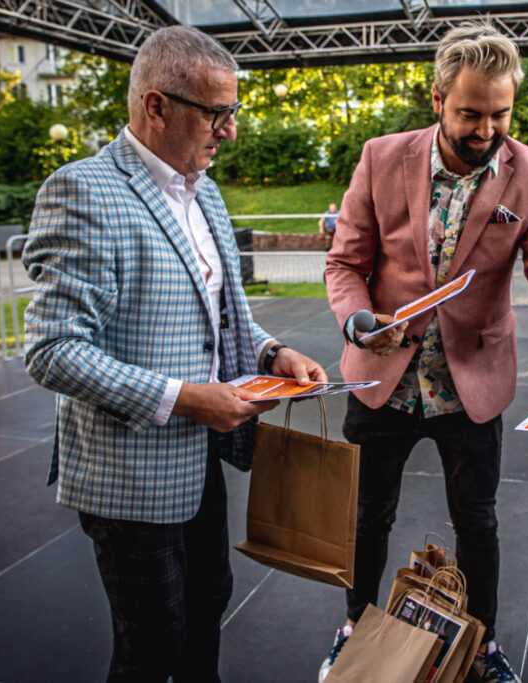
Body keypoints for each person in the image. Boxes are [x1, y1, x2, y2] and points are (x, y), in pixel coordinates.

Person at [322, 23, 528, 683]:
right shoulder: (380, 156)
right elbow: (344, 264)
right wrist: (358, 323)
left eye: (499, 113)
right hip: (381, 380)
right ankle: (354, 626)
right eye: (469, 113)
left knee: (478, 523)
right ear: (437, 99)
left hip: (471, 386)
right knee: (365, 517)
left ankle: (482, 644)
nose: (486, 129)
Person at [22, 26, 326, 682]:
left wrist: (273, 353)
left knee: (207, 606)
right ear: (155, 106)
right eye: (217, 114)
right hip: (127, 476)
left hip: (199, 463)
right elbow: (52, 349)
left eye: (233, 112)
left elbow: (226, 312)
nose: (230, 131)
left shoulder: (204, 189)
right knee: (151, 644)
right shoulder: (83, 191)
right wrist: (187, 399)